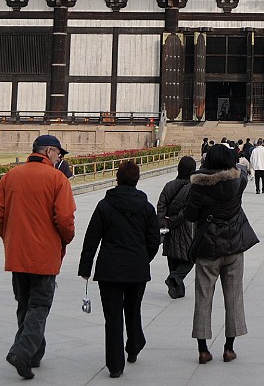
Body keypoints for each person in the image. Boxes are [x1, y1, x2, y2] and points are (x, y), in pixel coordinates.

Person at [0, 134, 76, 381]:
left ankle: (34, 354)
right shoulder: (57, 179)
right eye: (59, 153)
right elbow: (64, 219)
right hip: (44, 255)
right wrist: (65, 239)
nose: (59, 158)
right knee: (39, 305)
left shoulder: (11, 176)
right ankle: (22, 351)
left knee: (25, 304)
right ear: (49, 151)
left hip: (17, 254)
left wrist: (11, 238)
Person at [78, 160, 160, 378]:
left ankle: (115, 365)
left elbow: (92, 238)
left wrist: (86, 267)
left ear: (117, 178)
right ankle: (133, 346)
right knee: (133, 310)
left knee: (113, 317)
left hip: (110, 269)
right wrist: (144, 258)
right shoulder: (146, 207)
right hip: (136, 267)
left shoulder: (105, 205)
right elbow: (154, 239)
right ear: (137, 180)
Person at [186, 144, 259, 364]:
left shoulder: (198, 186)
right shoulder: (238, 182)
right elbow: (241, 169)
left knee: (203, 297)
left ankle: (203, 349)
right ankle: (229, 348)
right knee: (234, 296)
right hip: (234, 245)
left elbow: (190, 214)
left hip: (208, 248)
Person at [156, 155, 197, 299]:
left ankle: (177, 290)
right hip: (185, 228)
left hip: (169, 229)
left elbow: (161, 205)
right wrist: (173, 221)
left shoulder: (169, 185)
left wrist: (164, 222)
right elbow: (187, 210)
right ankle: (174, 281)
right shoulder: (194, 188)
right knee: (190, 258)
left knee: (173, 258)